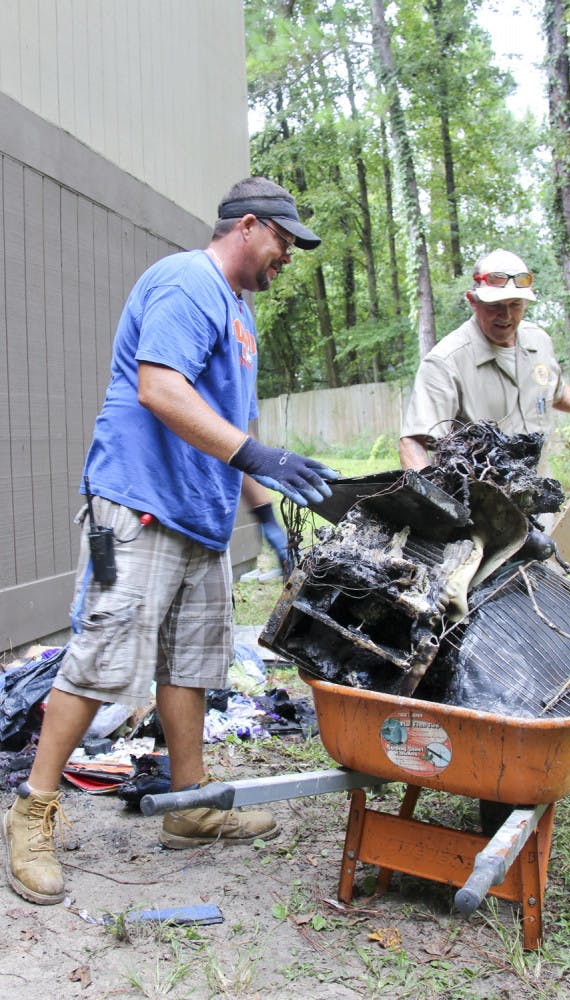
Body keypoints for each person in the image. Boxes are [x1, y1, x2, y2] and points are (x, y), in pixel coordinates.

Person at [3, 176, 337, 906]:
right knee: (98, 659)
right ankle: (30, 814)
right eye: (282, 240)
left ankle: (189, 810)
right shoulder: (189, 282)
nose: (286, 256)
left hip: (199, 519)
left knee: (190, 668)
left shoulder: (239, 313)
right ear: (247, 226)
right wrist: (260, 460)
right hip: (138, 508)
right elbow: (160, 388)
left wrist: (264, 515)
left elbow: (229, 429)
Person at [399, 248, 570, 472]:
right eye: (495, 305)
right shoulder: (446, 362)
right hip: (476, 504)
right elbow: (412, 443)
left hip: (539, 498)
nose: (506, 316)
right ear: (473, 301)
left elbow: (552, 390)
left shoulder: (539, 343)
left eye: (515, 304)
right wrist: (433, 504)